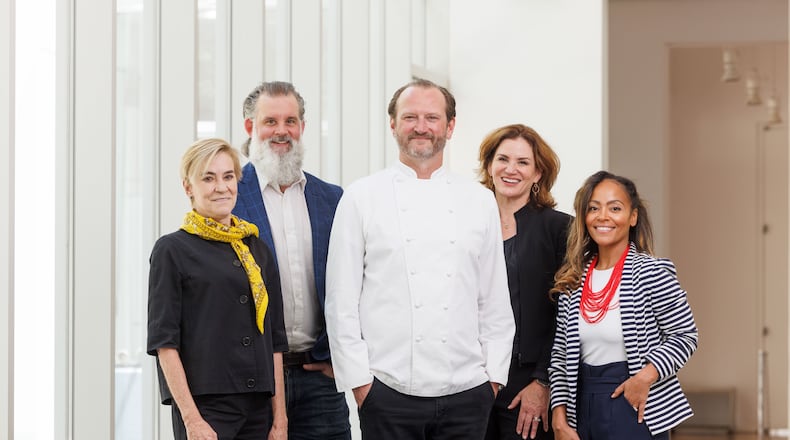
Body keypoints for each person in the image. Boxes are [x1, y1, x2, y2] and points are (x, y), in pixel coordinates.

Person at [325, 78, 516, 440]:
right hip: (387, 392)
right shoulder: (360, 197)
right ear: (393, 124)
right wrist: (361, 384)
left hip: (468, 391)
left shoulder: (479, 200)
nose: (421, 127)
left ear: (450, 126)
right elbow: (341, 302)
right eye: (410, 116)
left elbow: (493, 299)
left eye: (432, 117)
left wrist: (492, 378)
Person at [232, 81, 351, 439]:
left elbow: (354, 283)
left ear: (302, 127)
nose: (281, 131)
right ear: (251, 127)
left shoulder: (333, 199)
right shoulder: (230, 198)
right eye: (270, 121)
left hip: (320, 381)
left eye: (291, 121)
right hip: (254, 381)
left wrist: (339, 358)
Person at [147, 138, 288, 440]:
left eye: (227, 176)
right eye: (208, 178)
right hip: (206, 411)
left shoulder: (257, 249)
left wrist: (280, 419)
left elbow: (275, 339)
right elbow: (164, 343)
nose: (221, 187)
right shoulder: (172, 250)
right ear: (188, 187)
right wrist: (191, 419)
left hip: (259, 408)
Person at [549, 171, 698, 440]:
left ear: (633, 217)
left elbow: (685, 336)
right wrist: (559, 415)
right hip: (581, 407)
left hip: (635, 404)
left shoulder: (653, 272)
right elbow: (560, 356)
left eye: (615, 208)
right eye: (593, 208)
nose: (603, 216)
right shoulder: (572, 279)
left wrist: (646, 377)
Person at [478, 124, 571, 440]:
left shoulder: (560, 229)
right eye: (502, 159)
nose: (510, 169)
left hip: (527, 380)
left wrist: (543, 382)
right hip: (470, 379)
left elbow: (567, 316)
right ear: (489, 166)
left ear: (538, 173)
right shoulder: (468, 223)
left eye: (523, 162)